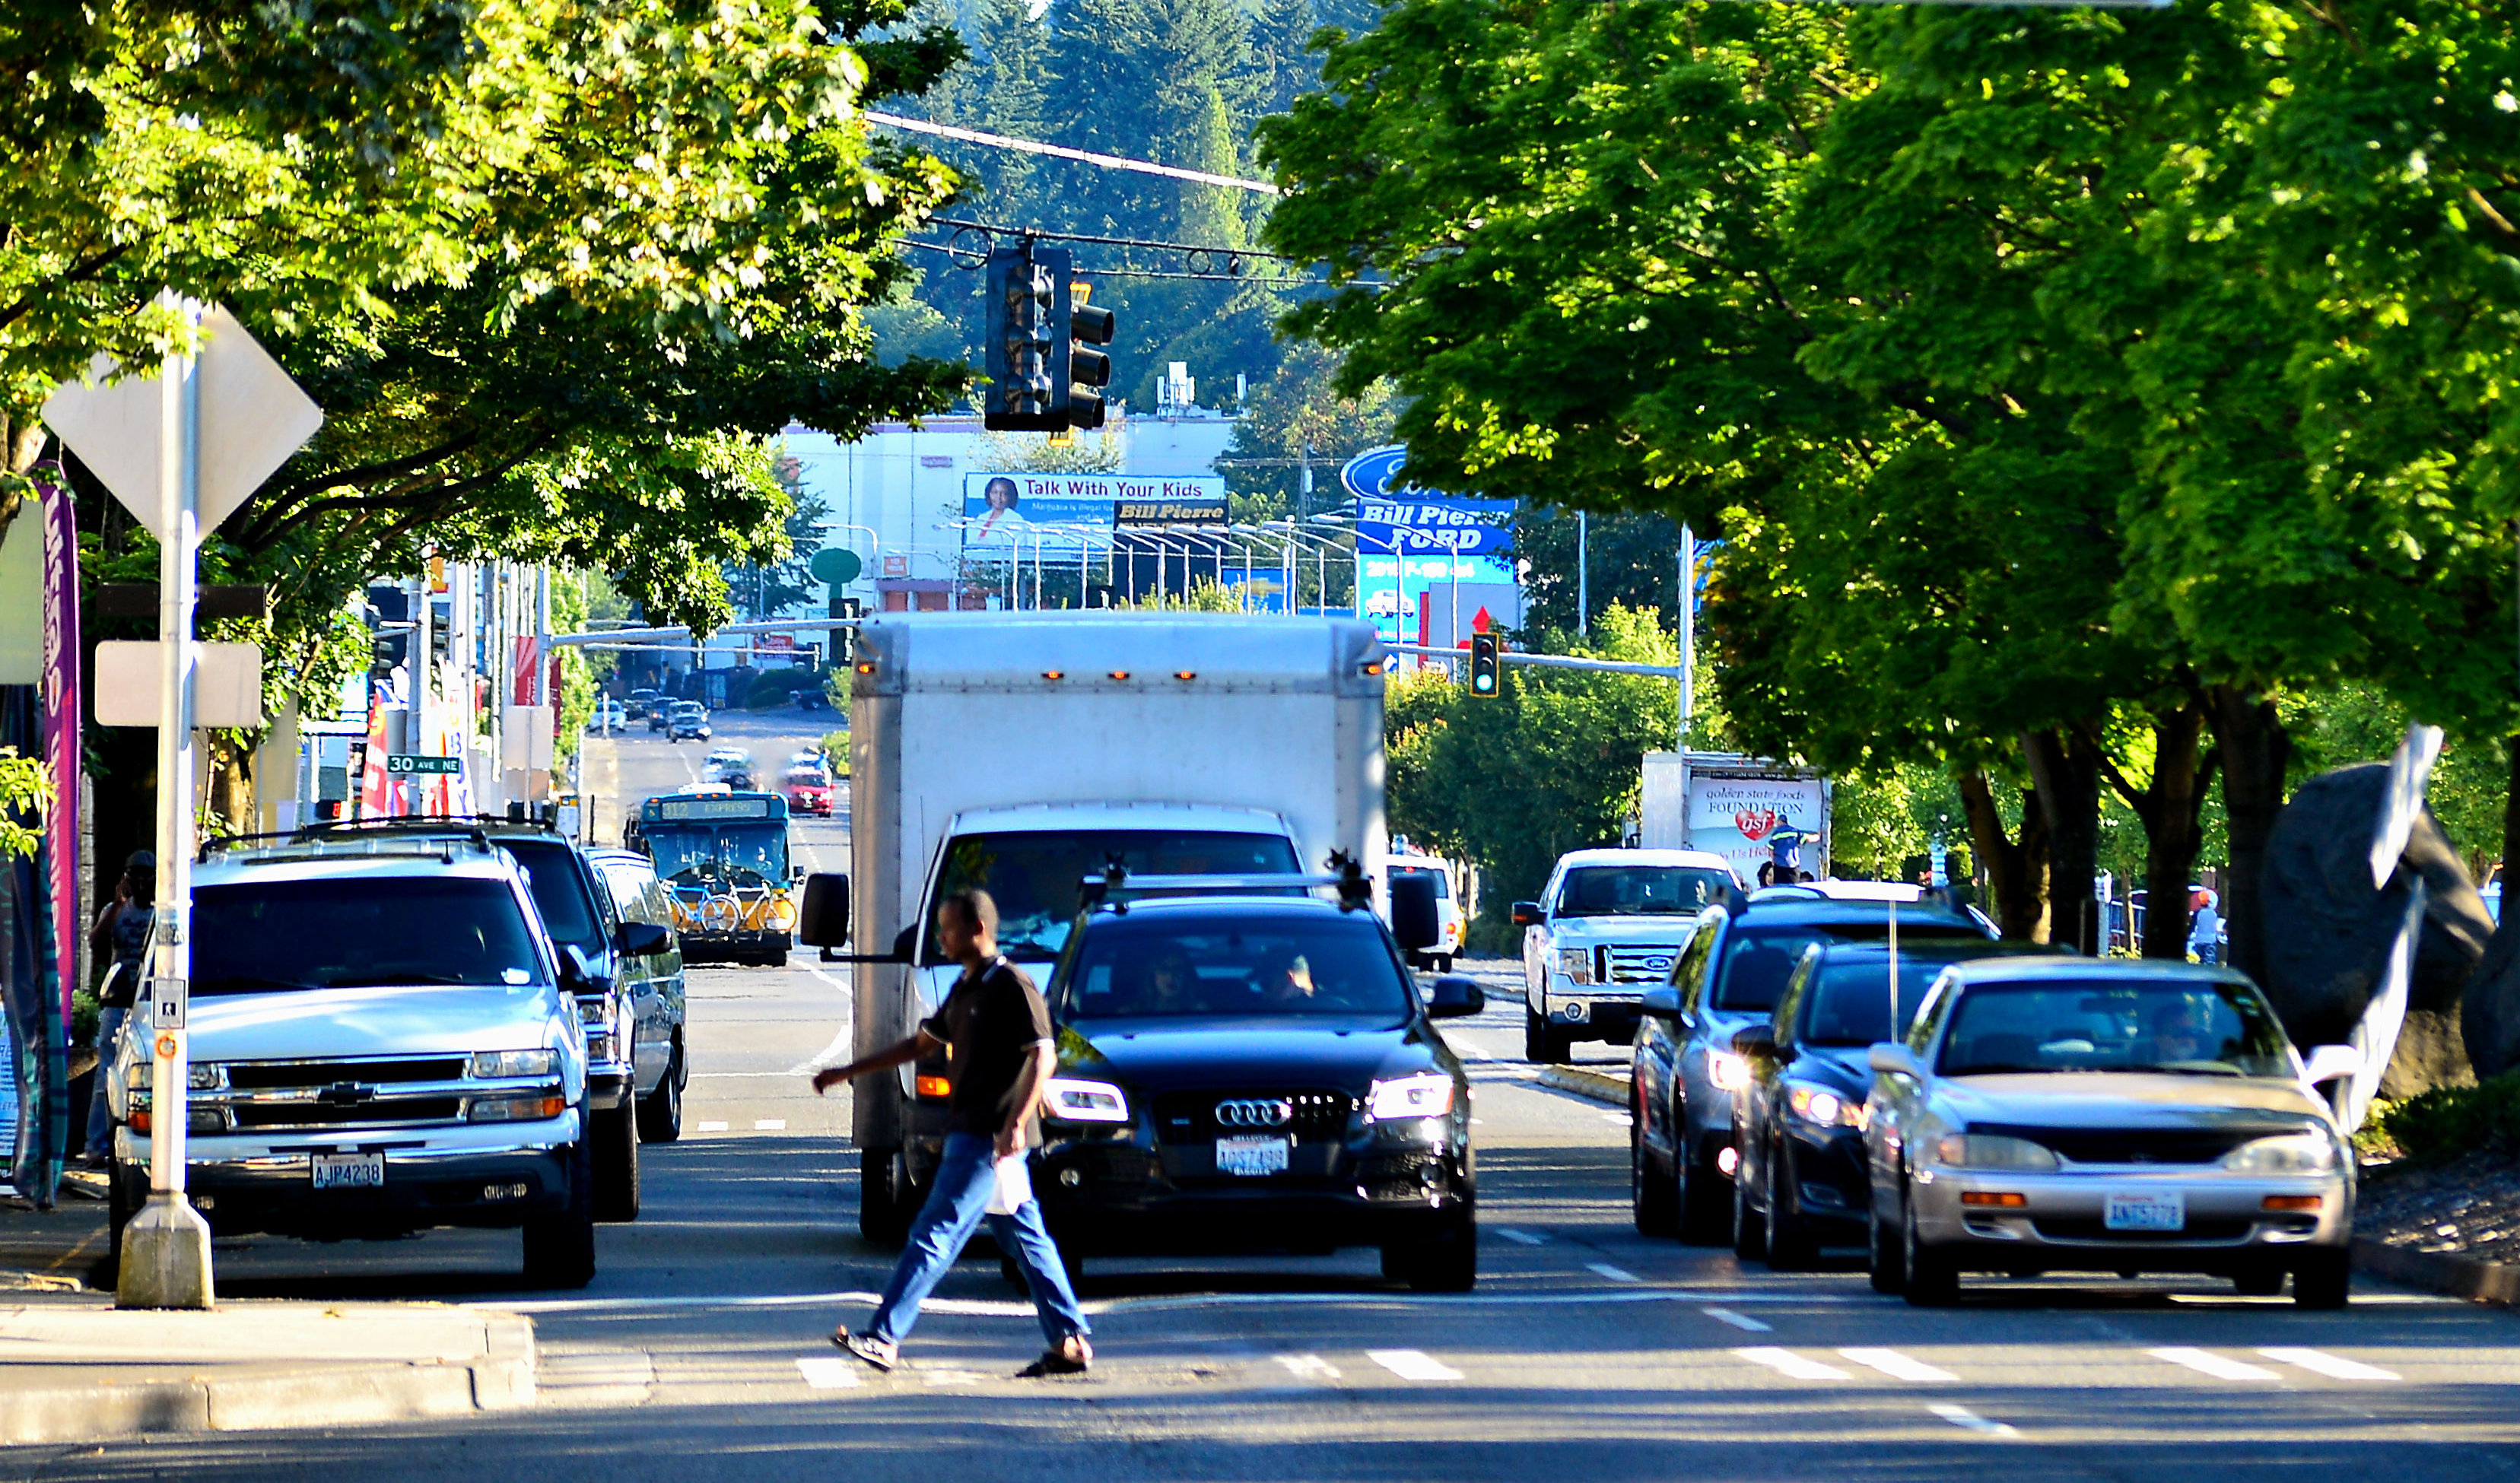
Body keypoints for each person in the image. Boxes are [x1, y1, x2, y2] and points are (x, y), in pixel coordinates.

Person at [811, 889, 1090, 1377]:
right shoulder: (967, 989)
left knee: (932, 1233)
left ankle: (884, 1338)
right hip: (982, 1135)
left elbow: (1043, 1056)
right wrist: (848, 1071)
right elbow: (921, 1044)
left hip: (987, 1136)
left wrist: (1016, 1124)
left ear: (978, 929)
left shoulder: (1011, 986)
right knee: (1025, 1237)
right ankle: (1070, 1340)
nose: (941, 937)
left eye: (949, 928)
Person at [82, 852, 154, 1166]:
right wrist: (119, 905)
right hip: (117, 999)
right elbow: (95, 941)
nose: (140, 882)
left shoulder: (162, 912)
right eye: (133, 875)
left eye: (146, 875)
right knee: (105, 1075)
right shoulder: (115, 911)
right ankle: (96, 1146)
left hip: (150, 1002)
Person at [2188, 888, 2222, 966]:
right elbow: (2216, 927)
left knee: (2199, 961)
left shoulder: (2197, 913)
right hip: (2211, 940)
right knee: (2210, 962)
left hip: (2199, 940)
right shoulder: (2215, 914)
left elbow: (2192, 926)